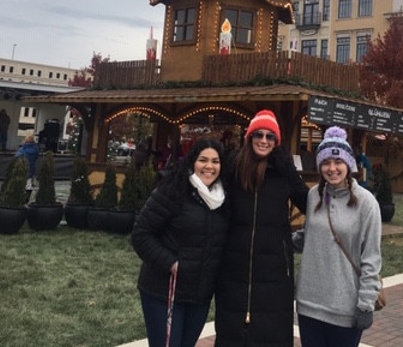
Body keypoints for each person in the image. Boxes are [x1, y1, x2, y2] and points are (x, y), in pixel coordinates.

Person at [214, 109, 309, 347]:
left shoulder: (283, 172)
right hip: (234, 267)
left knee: (271, 335)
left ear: (277, 141)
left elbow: (310, 204)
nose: (264, 140)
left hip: (275, 270)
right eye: (259, 135)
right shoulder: (233, 169)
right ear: (249, 137)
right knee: (232, 334)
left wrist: (287, 168)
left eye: (270, 136)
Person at [132, 138, 228, 347]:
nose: (209, 166)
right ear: (193, 161)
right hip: (164, 292)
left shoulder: (223, 200)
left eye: (215, 161)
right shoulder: (174, 190)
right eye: (203, 160)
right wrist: (171, 263)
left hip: (198, 296)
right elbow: (141, 233)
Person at [293, 126, 382, 347]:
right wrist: (277, 240)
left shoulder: (367, 203)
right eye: (325, 163)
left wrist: (365, 304)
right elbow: (309, 236)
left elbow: (371, 258)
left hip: (345, 308)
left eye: (338, 162)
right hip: (309, 304)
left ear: (349, 164)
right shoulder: (314, 195)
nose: (332, 168)